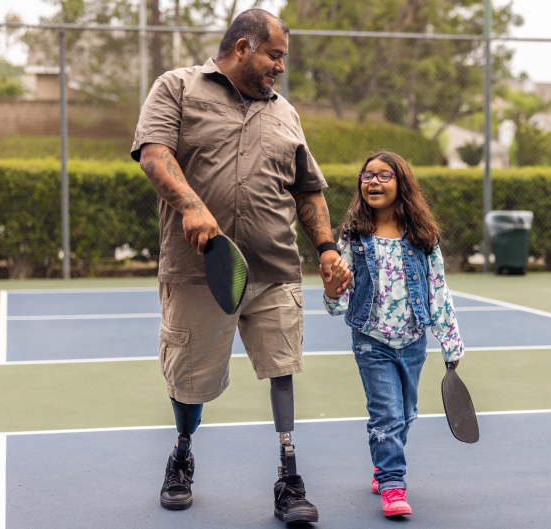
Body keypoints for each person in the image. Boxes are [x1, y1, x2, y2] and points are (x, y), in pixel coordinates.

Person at [131, 8, 350, 525]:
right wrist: (191, 205)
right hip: (200, 271)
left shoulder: (286, 113)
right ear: (244, 47)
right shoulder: (178, 88)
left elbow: (307, 189)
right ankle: (182, 452)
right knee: (189, 382)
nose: (280, 67)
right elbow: (154, 154)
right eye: (275, 55)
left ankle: (289, 474)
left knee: (282, 370)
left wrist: (326, 249)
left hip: (275, 268)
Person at [320, 151, 465, 517]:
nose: (373, 181)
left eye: (384, 175)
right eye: (367, 175)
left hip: (413, 341)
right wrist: (332, 290)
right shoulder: (353, 238)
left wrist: (450, 340)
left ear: (402, 184)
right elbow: (338, 303)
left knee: (407, 413)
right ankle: (392, 484)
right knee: (386, 415)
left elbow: (438, 290)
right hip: (372, 341)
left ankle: (383, 462)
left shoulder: (423, 238)